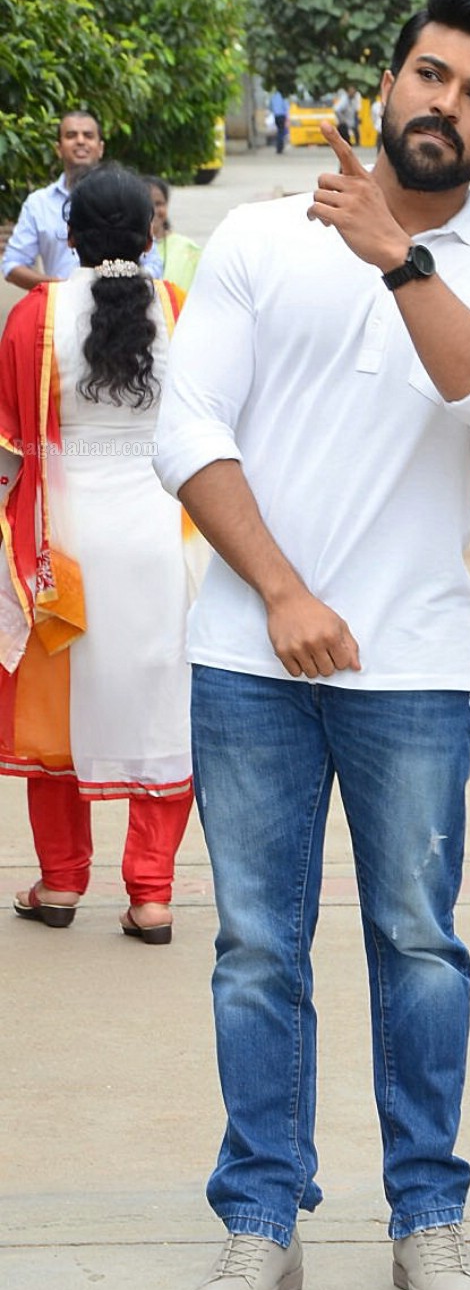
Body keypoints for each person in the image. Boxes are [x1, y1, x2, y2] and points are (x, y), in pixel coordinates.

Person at [154, 0, 470, 1290]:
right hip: (248, 656)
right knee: (257, 949)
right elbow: (186, 427)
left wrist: (400, 255)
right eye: (429, 77)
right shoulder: (260, 240)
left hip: (413, 671)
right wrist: (277, 591)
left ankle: (429, 1212)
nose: (445, 106)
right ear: (385, 82)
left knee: (416, 942)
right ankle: (260, 1215)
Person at [0, 165, 201, 942]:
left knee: (59, 718)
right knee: (161, 710)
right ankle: (150, 895)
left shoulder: (35, 316)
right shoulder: (178, 310)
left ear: (70, 233)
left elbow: (10, 451)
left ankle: (59, 882)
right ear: (151, 233)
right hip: (163, 540)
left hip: (63, 545)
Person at [3, 111, 162, 291]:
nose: (80, 141)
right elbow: (12, 265)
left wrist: (123, 284)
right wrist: (63, 289)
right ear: (58, 148)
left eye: (88, 135)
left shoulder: (127, 196)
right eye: (71, 135)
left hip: (126, 307)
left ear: (100, 147)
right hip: (61, 312)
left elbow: (154, 264)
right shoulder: (38, 204)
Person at [143, 176, 202, 294]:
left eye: (159, 204)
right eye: (146, 204)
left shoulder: (188, 250)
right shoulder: (127, 249)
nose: (153, 210)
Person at [267, 89, 289, 155]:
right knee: (281, 132)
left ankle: (279, 147)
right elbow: (286, 107)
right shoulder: (283, 96)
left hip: (276, 116)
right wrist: (287, 117)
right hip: (282, 115)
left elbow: (270, 107)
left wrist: (274, 111)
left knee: (279, 131)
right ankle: (280, 148)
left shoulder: (273, 96)